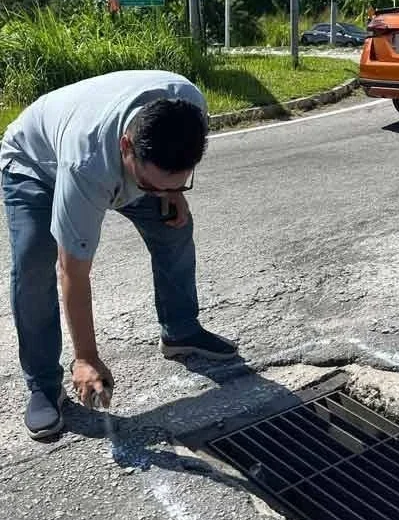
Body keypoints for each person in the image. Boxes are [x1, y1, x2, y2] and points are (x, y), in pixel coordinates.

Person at [1, 70, 237, 440]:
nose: (159, 190)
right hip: (35, 164)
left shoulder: (188, 107)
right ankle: (44, 385)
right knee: (33, 265)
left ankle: (180, 331)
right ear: (127, 147)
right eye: (151, 184)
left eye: (180, 179)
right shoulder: (87, 164)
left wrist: (171, 192)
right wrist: (87, 358)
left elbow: (165, 174)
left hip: (117, 160)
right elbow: (73, 272)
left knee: (173, 224)